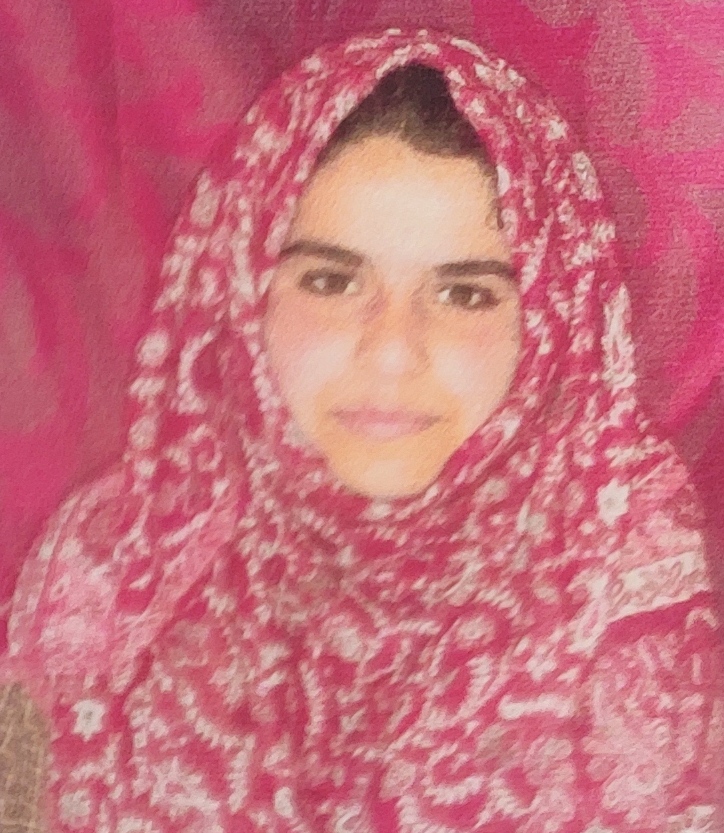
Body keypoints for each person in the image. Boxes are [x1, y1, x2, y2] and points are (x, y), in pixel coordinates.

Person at [1, 27, 722, 833]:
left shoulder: (621, 565)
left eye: (464, 294)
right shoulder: (117, 566)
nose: (391, 350)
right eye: (332, 280)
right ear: (242, 292)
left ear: (551, 321)